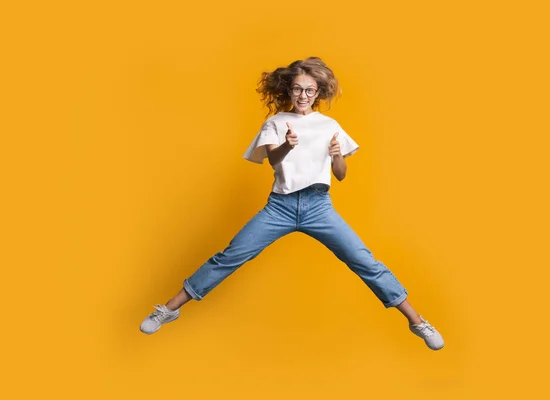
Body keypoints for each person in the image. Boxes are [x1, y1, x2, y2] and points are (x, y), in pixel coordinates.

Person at [140, 57, 444, 350]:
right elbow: (273, 160)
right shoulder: (276, 122)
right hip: (280, 208)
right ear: (289, 90)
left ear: (318, 93)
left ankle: (417, 322)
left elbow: (339, 176)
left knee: (364, 261)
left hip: (318, 206)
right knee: (230, 256)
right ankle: (170, 309)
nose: (303, 95)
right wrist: (288, 143)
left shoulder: (329, 124)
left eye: (310, 90)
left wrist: (337, 155)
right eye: (298, 89)